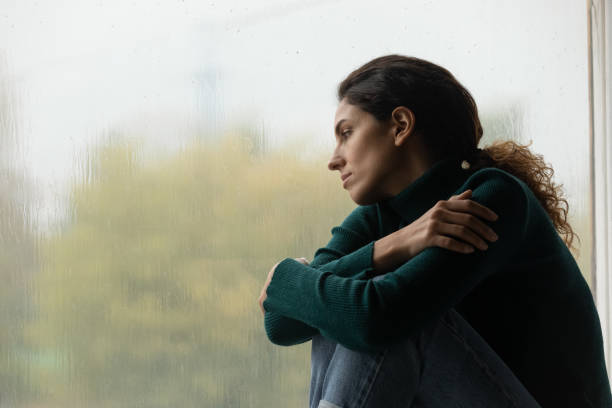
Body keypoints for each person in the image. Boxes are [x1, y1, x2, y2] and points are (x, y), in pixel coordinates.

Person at [258, 54, 612, 407]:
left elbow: (377, 320)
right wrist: (395, 244)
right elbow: (281, 322)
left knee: (379, 317)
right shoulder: (379, 218)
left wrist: (284, 277)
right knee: (331, 310)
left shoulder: (489, 198)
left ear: (399, 125)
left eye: (347, 133)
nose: (334, 159)